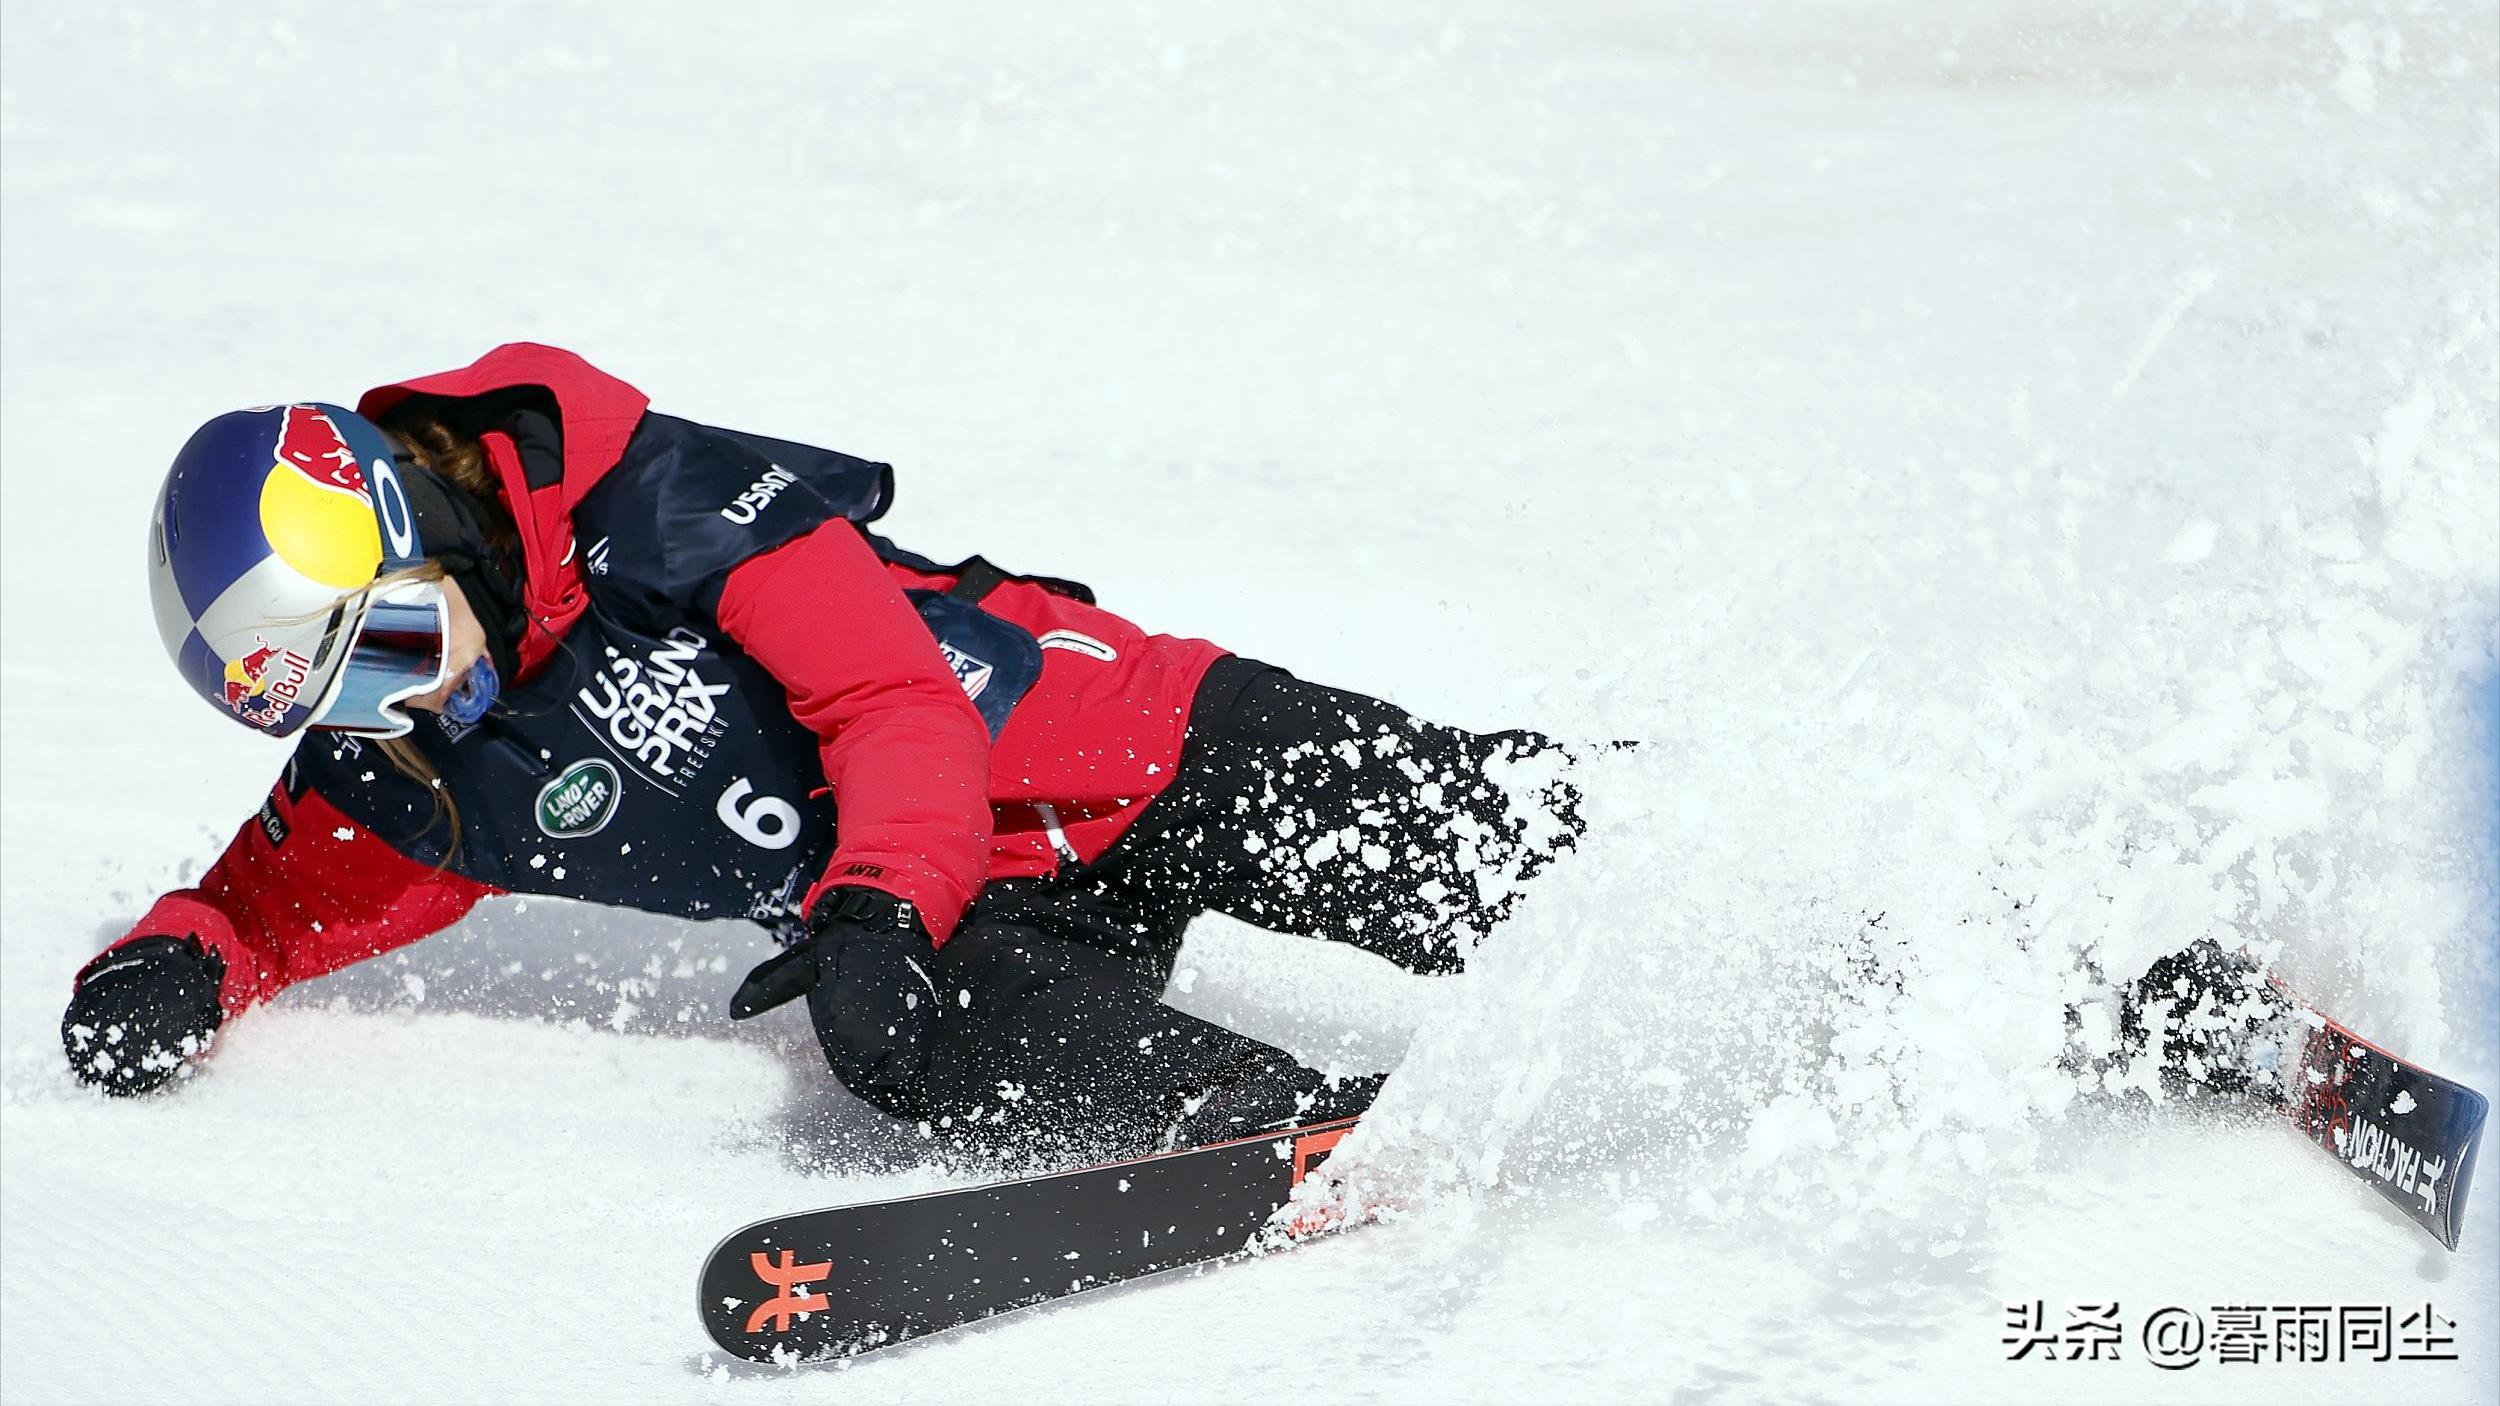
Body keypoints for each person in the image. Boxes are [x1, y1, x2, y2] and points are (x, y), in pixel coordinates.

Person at [65, 343, 1586, 1158]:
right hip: (974, 917)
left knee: (1506, 855)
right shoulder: (414, 762)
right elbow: (263, 902)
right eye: (336, 702)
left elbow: (893, 701)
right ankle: (1310, 1132)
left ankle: (1782, 895)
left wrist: (870, 905)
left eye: (390, 647)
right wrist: (172, 962)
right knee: (904, 1037)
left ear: (431, 528)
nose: (392, 710)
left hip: (1136, 745)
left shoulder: (641, 498)